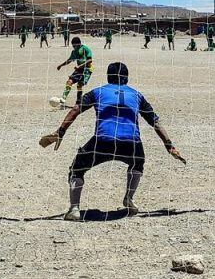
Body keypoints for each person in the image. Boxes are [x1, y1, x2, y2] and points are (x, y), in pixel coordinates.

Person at [40, 62, 185, 221]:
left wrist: (60, 132)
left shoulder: (98, 92)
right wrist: (169, 146)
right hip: (131, 143)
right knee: (138, 162)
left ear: (108, 77)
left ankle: (74, 209)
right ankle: (129, 198)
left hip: (103, 141)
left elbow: (75, 110)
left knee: (77, 168)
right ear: (127, 78)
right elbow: (155, 123)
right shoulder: (137, 95)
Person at [56, 37, 93, 107]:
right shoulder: (74, 52)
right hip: (79, 69)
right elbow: (69, 60)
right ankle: (63, 98)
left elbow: (90, 60)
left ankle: (78, 102)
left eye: (74, 46)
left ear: (79, 44)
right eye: (73, 46)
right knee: (69, 81)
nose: (74, 47)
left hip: (87, 69)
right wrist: (61, 65)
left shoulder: (85, 49)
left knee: (79, 85)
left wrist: (80, 66)